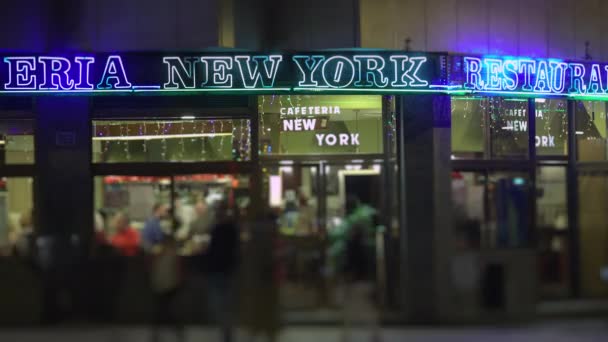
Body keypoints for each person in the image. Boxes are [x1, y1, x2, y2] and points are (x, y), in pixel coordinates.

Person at [204, 200, 239, 342]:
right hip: (228, 269)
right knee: (226, 303)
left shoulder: (217, 230)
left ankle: (226, 329)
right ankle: (227, 330)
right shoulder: (232, 229)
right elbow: (236, 250)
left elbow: (212, 251)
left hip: (218, 270)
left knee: (218, 303)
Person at [149, 232, 184, 342]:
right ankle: (175, 328)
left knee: (162, 309)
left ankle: (170, 329)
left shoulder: (166, 255)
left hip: (167, 286)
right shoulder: (166, 254)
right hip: (164, 285)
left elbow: (177, 271)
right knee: (163, 309)